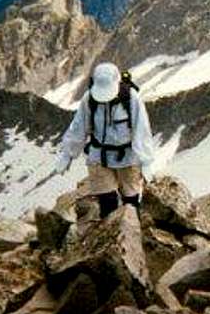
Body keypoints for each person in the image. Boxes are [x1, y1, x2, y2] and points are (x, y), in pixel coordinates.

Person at [55, 61, 156, 217]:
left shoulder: (131, 98)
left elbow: (141, 129)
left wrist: (146, 161)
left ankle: (131, 234)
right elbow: (79, 127)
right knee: (107, 202)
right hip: (99, 155)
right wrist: (67, 154)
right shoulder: (89, 99)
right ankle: (109, 234)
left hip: (128, 156)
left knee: (131, 201)